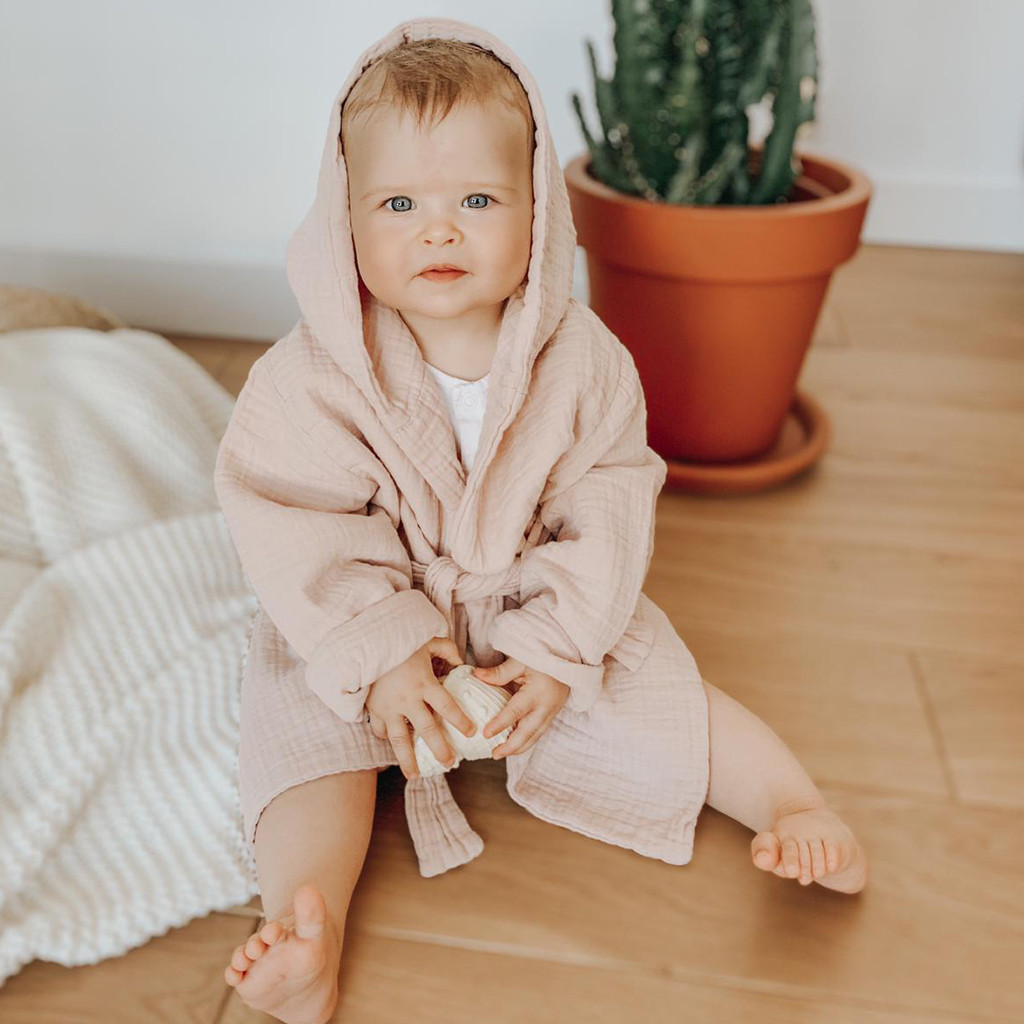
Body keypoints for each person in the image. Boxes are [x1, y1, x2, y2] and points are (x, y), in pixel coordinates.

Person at [213, 17, 867, 1023]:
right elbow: (294, 517)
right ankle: (309, 923)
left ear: (538, 214)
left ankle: (789, 799)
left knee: (654, 685)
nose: (439, 230)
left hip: (533, 602)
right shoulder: (308, 379)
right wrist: (381, 649)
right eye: (399, 203)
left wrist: (561, 648)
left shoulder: (583, 359)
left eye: (476, 199)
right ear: (343, 219)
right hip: (377, 614)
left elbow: (605, 493)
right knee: (301, 727)